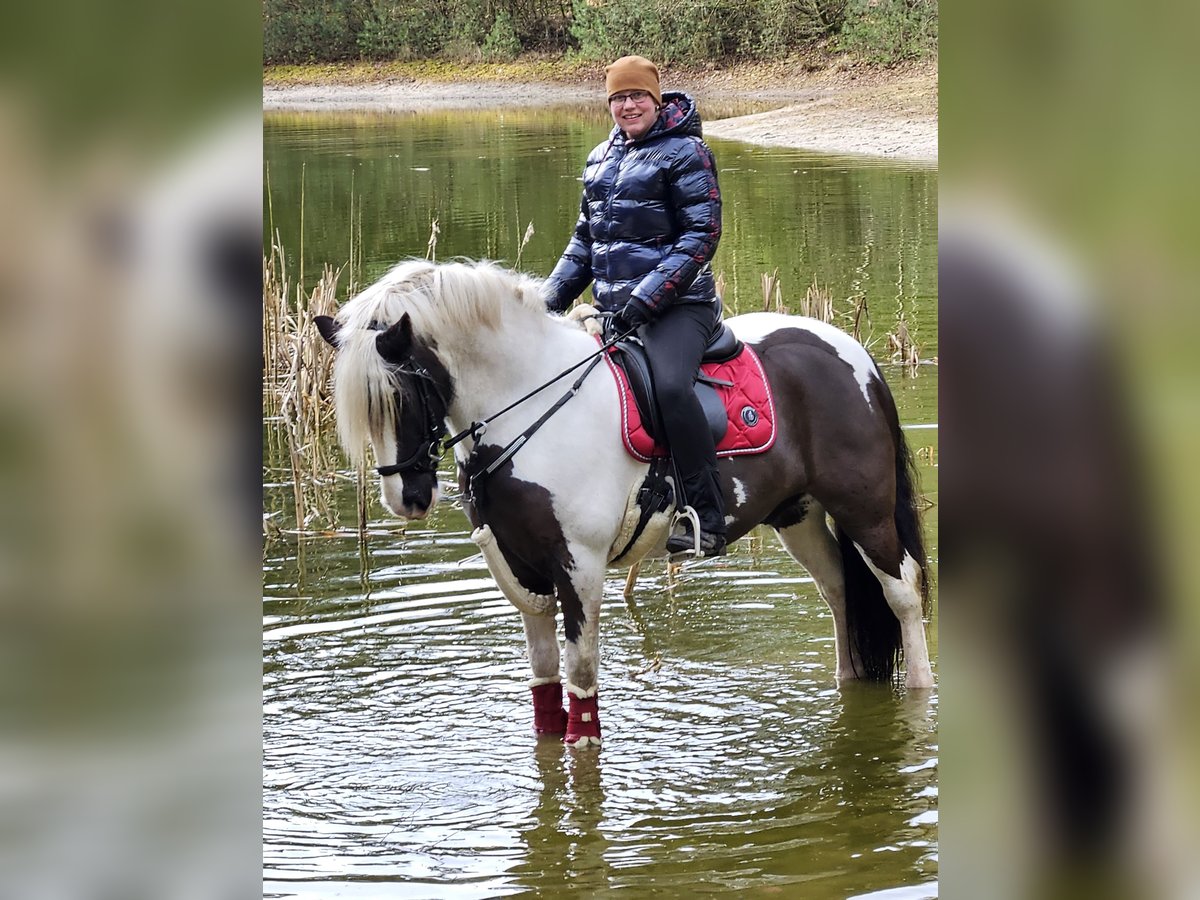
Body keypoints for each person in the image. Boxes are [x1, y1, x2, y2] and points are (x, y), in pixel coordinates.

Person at [543, 55, 727, 557]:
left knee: (669, 387)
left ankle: (706, 515)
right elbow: (585, 243)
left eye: (637, 96)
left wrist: (646, 298)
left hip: (680, 307)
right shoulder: (600, 156)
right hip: (616, 312)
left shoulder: (686, 151)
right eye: (619, 98)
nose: (628, 105)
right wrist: (542, 302)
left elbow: (701, 236)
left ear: (657, 98)